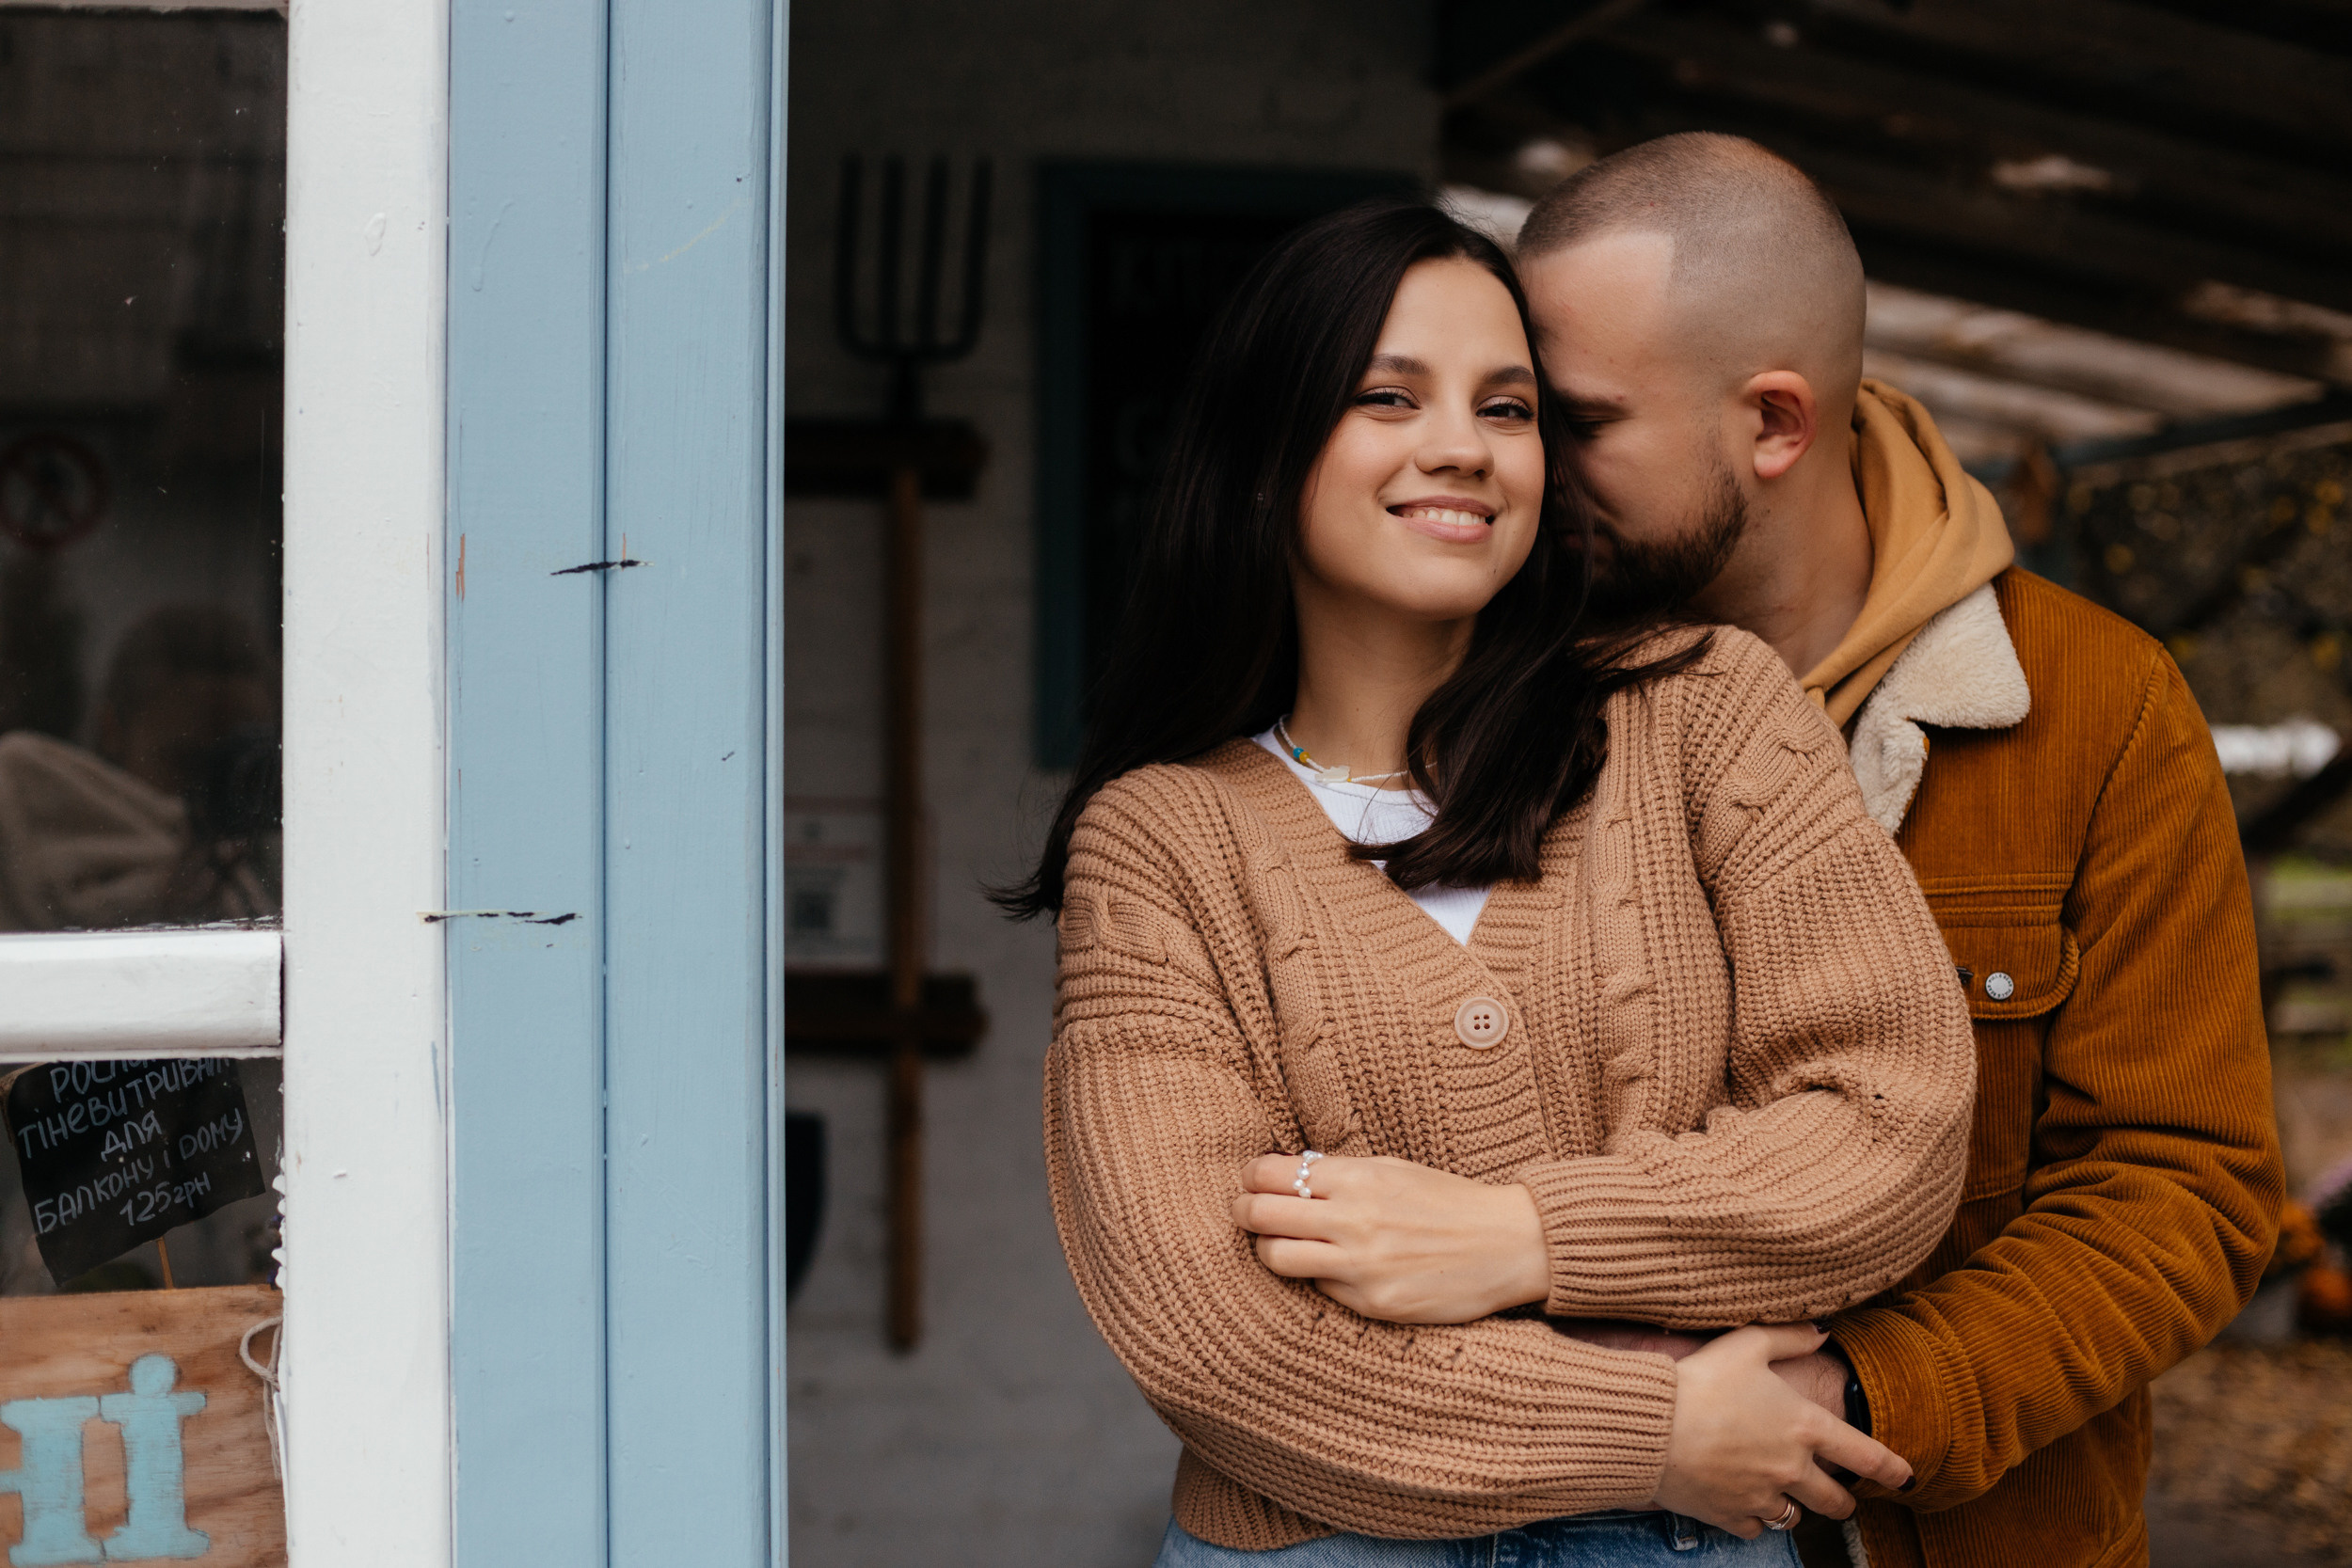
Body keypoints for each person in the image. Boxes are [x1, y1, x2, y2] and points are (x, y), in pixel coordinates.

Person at [1005, 198, 1978, 1565]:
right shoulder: (1162, 844)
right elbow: (1211, 1330)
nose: (1462, 445)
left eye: (1507, 408)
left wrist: (1526, 1237)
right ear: (1263, 455)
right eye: (1387, 396)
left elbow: (1890, 1128)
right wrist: (1653, 1432)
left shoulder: (1704, 715)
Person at [1357, 134, 2273, 1568]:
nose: (1515, 460)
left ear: (1774, 424)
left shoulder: (2099, 712)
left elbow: (2181, 1186)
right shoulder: (1456, 684)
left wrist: (1852, 1399)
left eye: (1573, 420)